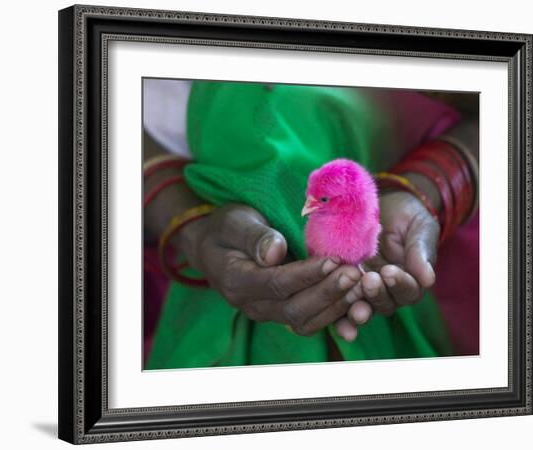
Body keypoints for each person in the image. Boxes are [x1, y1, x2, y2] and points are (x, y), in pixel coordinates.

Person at [142, 79, 479, 368]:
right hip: (191, 290)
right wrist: (191, 229)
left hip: (449, 280)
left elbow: (515, 98)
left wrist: (431, 186)